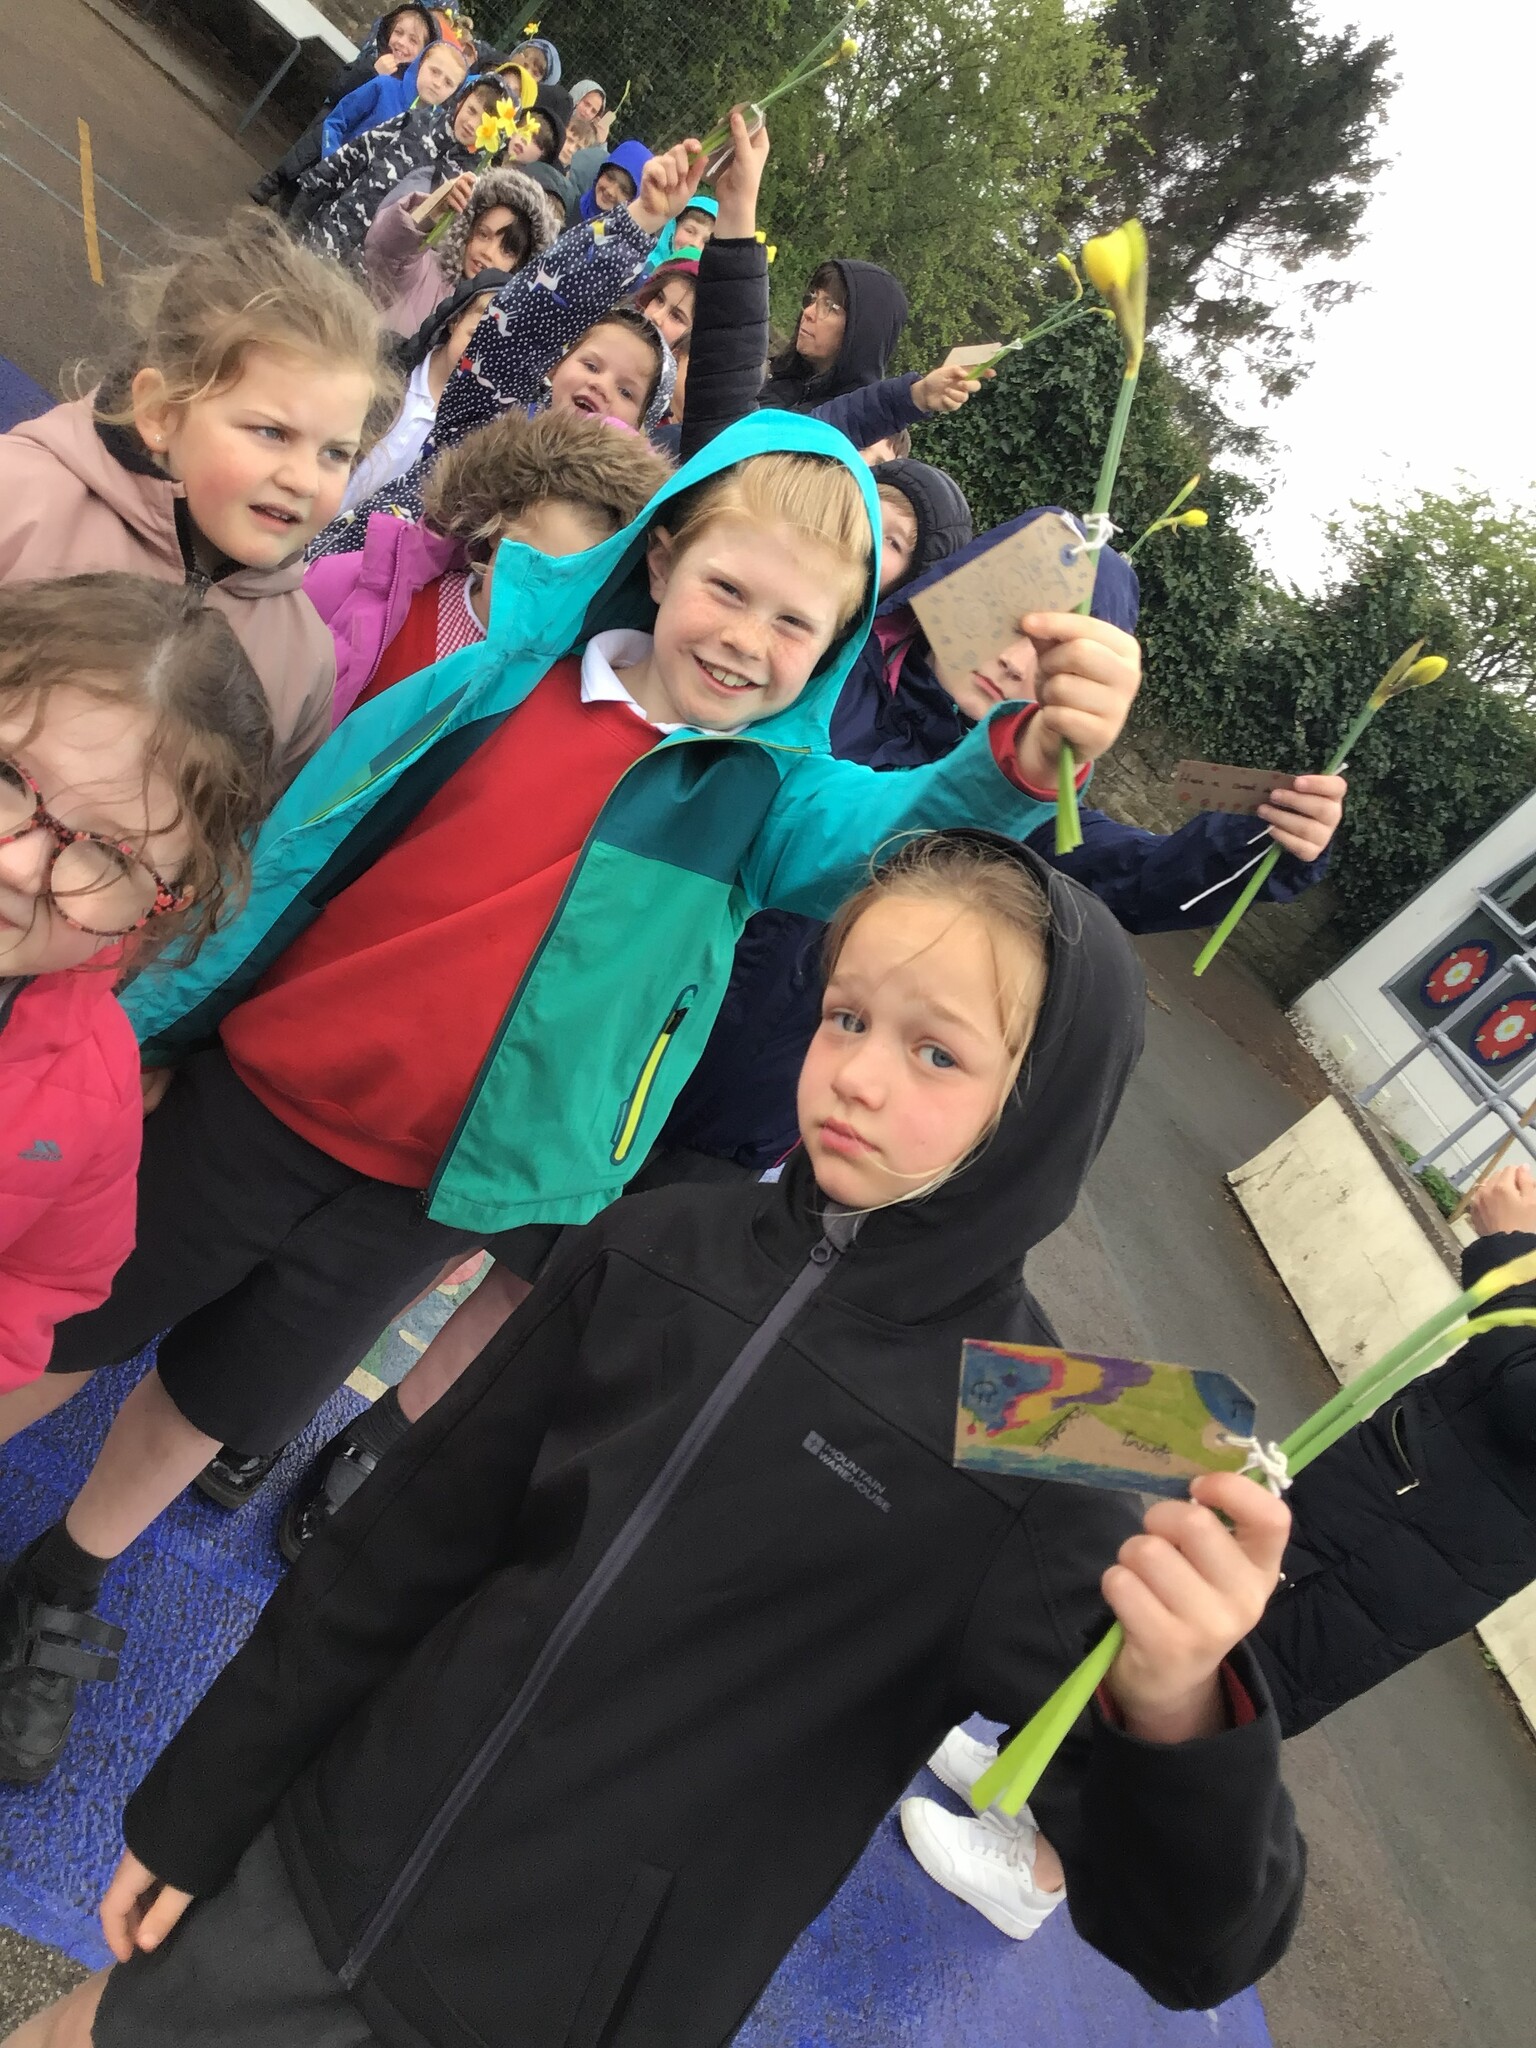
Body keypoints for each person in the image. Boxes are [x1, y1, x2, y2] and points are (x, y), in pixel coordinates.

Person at [1, 832, 1303, 2048]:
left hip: (544, 2010)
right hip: (317, 1863)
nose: (857, 1073)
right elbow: (399, 1546)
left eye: (936, 1053)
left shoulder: (1041, 1423)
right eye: (848, 1016)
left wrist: (1184, 1706)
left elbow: (1195, 1941)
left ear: (1046, 1105)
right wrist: (199, 1808)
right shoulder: (660, 1241)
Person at [0, 412, 1139, 1782]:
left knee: (221, 1394)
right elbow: (302, 854)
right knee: (66, 1322)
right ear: (661, 559)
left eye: (796, 623)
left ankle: (63, 1577)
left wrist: (1014, 761)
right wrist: (152, 1024)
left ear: (834, 647)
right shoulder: (497, 680)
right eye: (729, 588)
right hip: (258, 1104)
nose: (747, 640)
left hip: (432, 1191)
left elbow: (891, 834)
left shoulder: (768, 801)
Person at [898, 1157, 1536, 1941]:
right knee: (1178, 1619)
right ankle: (1027, 1775)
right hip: (1399, 1482)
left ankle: (1044, 1872)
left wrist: (1511, 1253)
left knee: (1228, 1677)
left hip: (1418, 1542)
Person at [0, 576, 273, 1445]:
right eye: (8, 776)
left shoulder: (96, 1083)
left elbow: (47, 1279)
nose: (21, 865)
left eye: (111, 857)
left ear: (160, 907)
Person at [0, 213, 395, 789]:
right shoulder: (21, 499)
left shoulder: (303, 663)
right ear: (161, 412)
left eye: (336, 453)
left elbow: (240, 828)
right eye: (271, 432)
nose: (304, 480)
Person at [308, 140, 706, 554]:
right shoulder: (489, 426)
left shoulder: (606, 535)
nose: (601, 385)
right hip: (338, 574)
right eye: (590, 365)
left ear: (641, 427)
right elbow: (527, 317)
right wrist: (641, 219)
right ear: (554, 366)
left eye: (626, 391)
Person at [310, 408, 672, 722]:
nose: (545, 597)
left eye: (576, 587)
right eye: (534, 566)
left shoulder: (556, 688)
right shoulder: (374, 585)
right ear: (497, 529)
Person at [290, 68, 500, 273]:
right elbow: (358, 151)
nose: (472, 124)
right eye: (472, 110)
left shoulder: (470, 183)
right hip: (337, 228)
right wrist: (313, 186)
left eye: (484, 124)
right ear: (461, 102)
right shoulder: (416, 122)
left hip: (374, 269)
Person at [339, 279, 510, 514]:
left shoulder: (473, 434)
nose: (479, 355)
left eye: (496, 350)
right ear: (455, 321)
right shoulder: (382, 359)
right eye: (475, 336)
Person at [249, 5, 439, 213]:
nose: (402, 42)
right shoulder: (371, 60)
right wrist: (372, 71)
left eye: (413, 40)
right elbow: (337, 88)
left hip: (357, 145)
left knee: (314, 191)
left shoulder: (411, 93)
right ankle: (275, 180)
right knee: (313, 143)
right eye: (398, 33)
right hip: (334, 126)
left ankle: (291, 205)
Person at [363, 163, 563, 335]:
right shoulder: (421, 269)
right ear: (468, 229)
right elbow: (386, 248)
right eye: (483, 234)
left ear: (520, 263)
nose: (488, 252)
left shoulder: (495, 327)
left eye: (507, 250)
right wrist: (433, 210)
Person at [759, 258, 909, 412]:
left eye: (830, 306)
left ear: (862, 331)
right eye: (813, 298)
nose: (808, 312)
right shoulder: (774, 379)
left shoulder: (853, 418)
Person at [319, 33, 465, 159]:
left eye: (448, 83)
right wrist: (330, 161)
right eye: (434, 71)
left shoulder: (436, 130)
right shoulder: (384, 87)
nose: (438, 83)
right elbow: (336, 121)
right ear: (420, 64)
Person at [579, 139, 654, 222]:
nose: (610, 192)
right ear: (601, 173)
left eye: (624, 190)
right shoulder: (568, 203)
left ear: (633, 200)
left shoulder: (621, 231)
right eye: (610, 177)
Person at [644, 193, 718, 273]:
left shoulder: (710, 279)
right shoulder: (641, 267)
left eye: (707, 242)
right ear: (674, 228)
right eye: (689, 231)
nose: (695, 244)